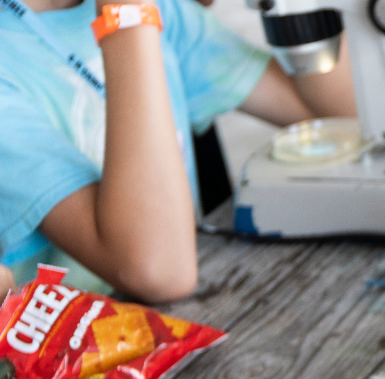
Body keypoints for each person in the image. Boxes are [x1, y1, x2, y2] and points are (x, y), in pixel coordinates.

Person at [1, 0, 354, 303]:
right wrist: (128, 16)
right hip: (67, 365)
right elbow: (158, 271)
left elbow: (341, 115)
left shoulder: (163, 11)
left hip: (191, 327)